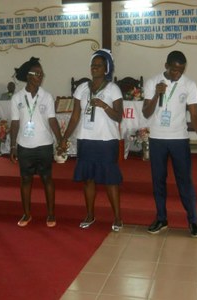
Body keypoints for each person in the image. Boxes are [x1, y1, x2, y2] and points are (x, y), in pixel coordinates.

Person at [59, 49, 124, 232]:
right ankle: (89, 214)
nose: (94, 68)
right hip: (85, 139)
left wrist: (104, 106)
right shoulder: (82, 89)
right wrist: (64, 138)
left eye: (99, 65)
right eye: (93, 65)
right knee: (88, 179)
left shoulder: (113, 89)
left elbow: (118, 117)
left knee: (110, 180)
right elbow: (74, 117)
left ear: (106, 69)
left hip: (106, 140)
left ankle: (118, 217)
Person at [142, 50, 197, 237]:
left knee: (184, 181)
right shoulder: (152, 82)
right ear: (166, 66)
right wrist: (156, 94)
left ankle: (193, 221)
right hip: (158, 139)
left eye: (181, 70)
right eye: (175, 70)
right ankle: (161, 218)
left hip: (179, 138)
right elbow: (146, 112)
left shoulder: (189, 85)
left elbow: (194, 114)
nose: (178, 74)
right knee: (158, 181)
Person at [9, 57, 62, 228]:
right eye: (37, 73)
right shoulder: (17, 98)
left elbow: (52, 120)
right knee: (25, 180)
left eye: (41, 74)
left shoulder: (46, 96)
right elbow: (15, 123)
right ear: (28, 76)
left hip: (44, 145)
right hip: (24, 146)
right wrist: (12, 146)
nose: (41, 76)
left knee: (47, 179)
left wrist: (60, 141)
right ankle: (26, 214)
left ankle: (51, 214)